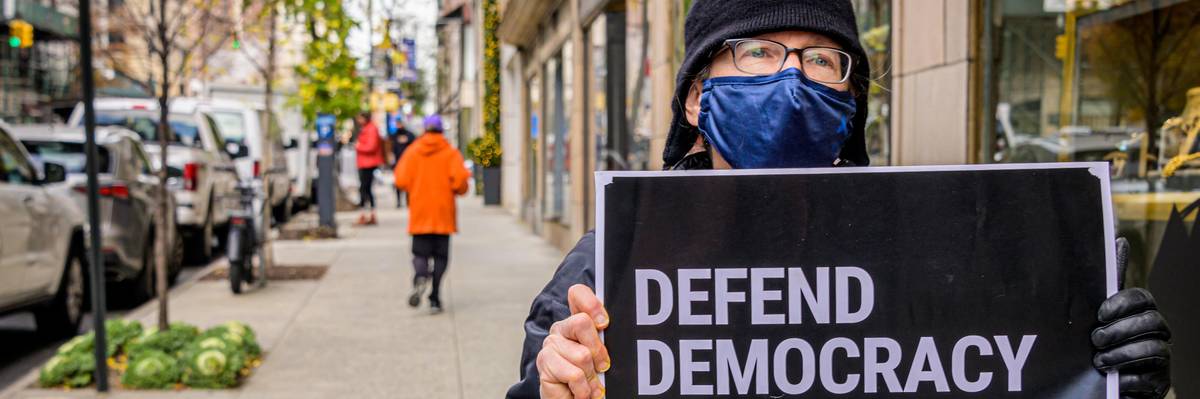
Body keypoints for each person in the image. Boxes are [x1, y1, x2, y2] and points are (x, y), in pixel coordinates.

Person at [505, 1, 1174, 398]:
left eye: (822, 58)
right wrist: (552, 382)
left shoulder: (934, 253)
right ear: (696, 97)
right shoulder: (611, 267)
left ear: (848, 102)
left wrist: (1101, 371)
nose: (793, 79)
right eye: (757, 52)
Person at [394, 114, 471, 314]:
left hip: (420, 211)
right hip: (443, 213)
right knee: (441, 257)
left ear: (424, 130)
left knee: (420, 253)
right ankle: (435, 296)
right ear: (441, 131)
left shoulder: (413, 151)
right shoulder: (450, 152)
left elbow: (400, 179)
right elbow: (461, 182)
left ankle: (420, 275)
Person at [354, 112, 384, 225]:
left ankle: (367, 214)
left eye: (360, 118)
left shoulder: (371, 129)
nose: (358, 120)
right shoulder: (366, 128)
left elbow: (371, 146)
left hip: (368, 163)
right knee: (366, 189)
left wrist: (359, 146)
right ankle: (368, 214)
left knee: (364, 189)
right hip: (364, 163)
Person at [388, 117, 416, 208]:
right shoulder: (394, 136)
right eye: (397, 124)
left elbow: (414, 143)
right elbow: (390, 148)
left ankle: (408, 200)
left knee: (409, 182)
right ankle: (399, 201)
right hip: (398, 162)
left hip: (409, 162)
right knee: (398, 182)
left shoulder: (409, 135)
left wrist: (407, 140)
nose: (399, 126)